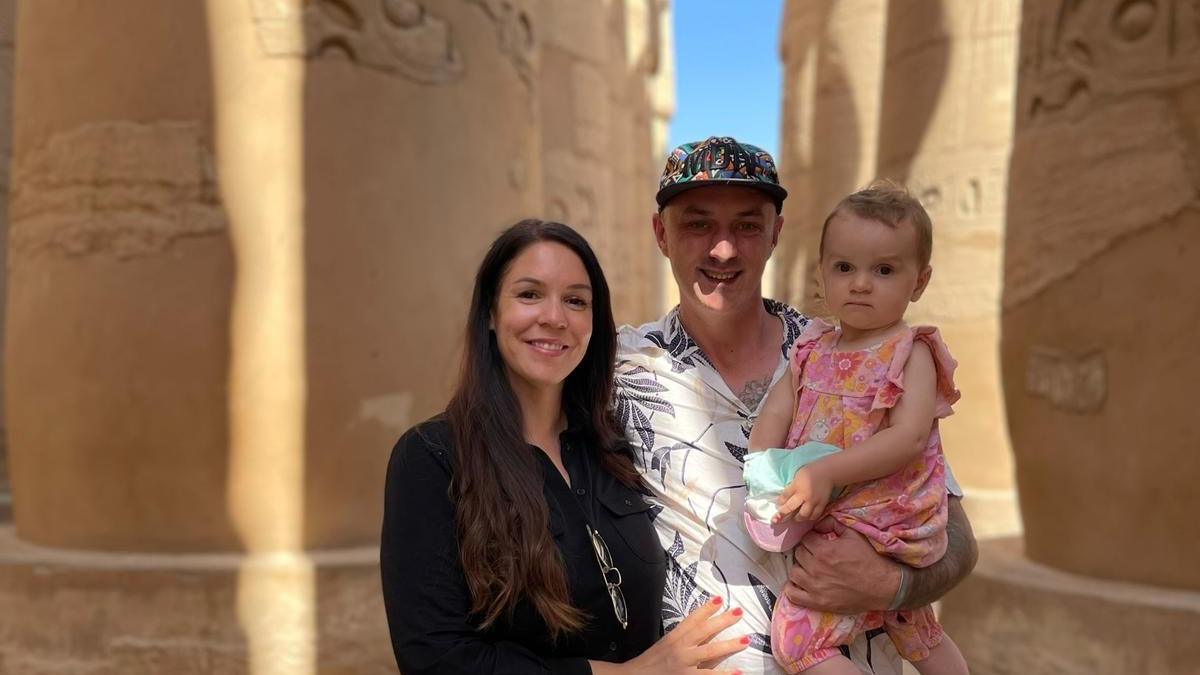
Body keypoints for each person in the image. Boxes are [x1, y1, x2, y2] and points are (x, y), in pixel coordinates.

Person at [614, 137, 978, 674]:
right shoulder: (619, 369)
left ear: (776, 235)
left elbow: (959, 540)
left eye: (746, 225)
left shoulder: (862, 352)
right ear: (660, 233)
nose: (723, 249)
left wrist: (891, 584)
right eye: (697, 224)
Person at [381, 219, 751, 675]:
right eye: (529, 294)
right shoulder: (432, 458)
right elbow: (434, 657)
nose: (554, 317)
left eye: (576, 301)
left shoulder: (618, 444)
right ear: (491, 314)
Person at [742, 182, 969, 674]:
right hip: (839, 516)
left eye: (884, 270)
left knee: (798, 640)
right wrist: (760, 465)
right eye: (845, 267)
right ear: (822, 273)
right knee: (913, 626)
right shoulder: (811, 348)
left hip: (887, 517)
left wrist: (825, 472)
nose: (861, 283)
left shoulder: (911, 352)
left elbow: (908, 437)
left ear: (920, 281)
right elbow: (777, 410)